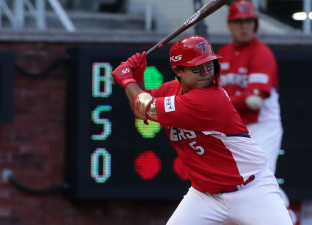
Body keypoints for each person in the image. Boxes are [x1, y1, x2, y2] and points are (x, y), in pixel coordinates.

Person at [111, 35, 293, 225]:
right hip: (206, 196)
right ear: (178, 71)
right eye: (197, 68)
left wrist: (127, 80)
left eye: (209, 65)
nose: (206, 73)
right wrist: (138, 78)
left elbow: (145, 107)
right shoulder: (171, 89)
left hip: (251, 191)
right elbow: (141, 111)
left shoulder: (209, 100)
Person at [216, 0, 296, 223]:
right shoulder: (222, 54)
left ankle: (287, 218)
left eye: (249, 21)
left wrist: (220, 104)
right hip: (235, 129)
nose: (244, 26)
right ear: (230, 25)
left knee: (258, 181)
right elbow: (233, 99)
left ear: (256, 24)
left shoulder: (262, 54)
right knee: (234, 186)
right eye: (239, 21)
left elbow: (254, 103)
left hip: (262, 126)